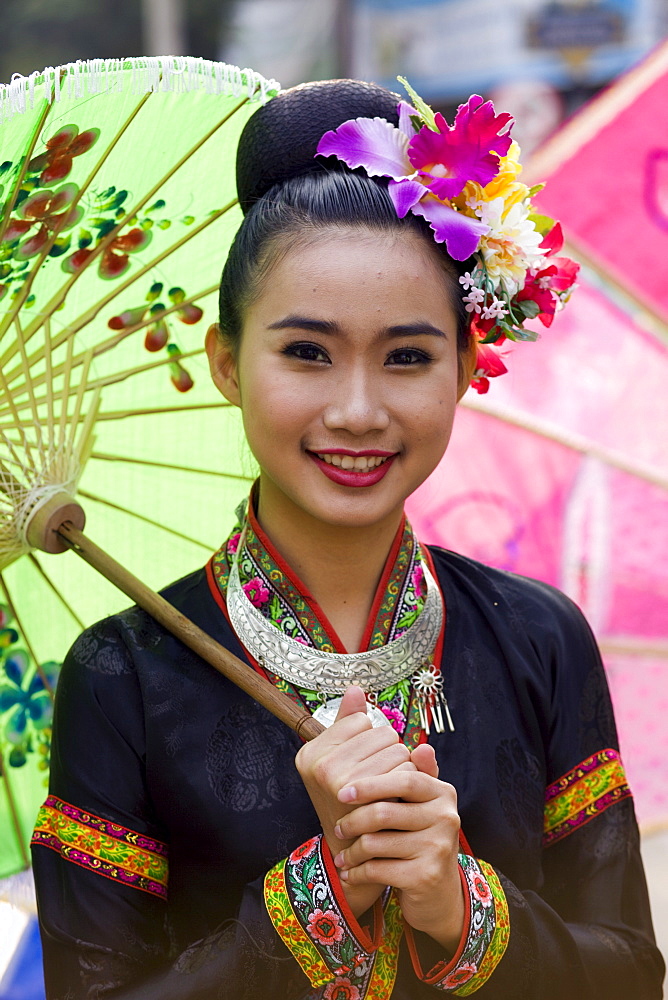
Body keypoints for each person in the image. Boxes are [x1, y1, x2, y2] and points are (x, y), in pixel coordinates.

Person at [31, 79, 664, 999]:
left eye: (407, 356)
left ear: (465, 366)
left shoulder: (539, 639)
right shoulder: (124, 674)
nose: (357, 411)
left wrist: (459, 909)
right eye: (306, 353)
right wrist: (320, 896)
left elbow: (632, 978)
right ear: (225, 364)